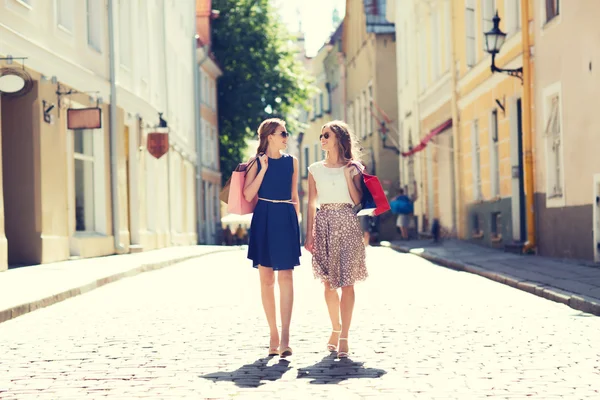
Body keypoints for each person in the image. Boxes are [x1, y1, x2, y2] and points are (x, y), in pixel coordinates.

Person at [304, 120, 368, 359]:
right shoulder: (314, 169)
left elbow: (357, 200)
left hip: (348, 222)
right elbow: (311, 203)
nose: (322, 139)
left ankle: (344, 337)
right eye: (321, 136)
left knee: (348, 283)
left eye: (326, 135)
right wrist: (309, 233)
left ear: (339, 140)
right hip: (324, 223)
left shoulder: (353, 168)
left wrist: (349, 175)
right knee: (328, 284)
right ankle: (335, 327)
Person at [244, 118, 301, 358]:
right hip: (264, 217)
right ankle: (273, 334)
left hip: (286, 215)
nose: (286, 137)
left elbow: (295, 194)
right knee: (266, 279)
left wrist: (297, 226)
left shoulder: (293, 162)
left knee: (286, 277)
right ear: (270, 137)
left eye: (286, 133)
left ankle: (286, 336)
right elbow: (248, 194)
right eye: (283, 133)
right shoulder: (256, 162)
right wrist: (263, 169)